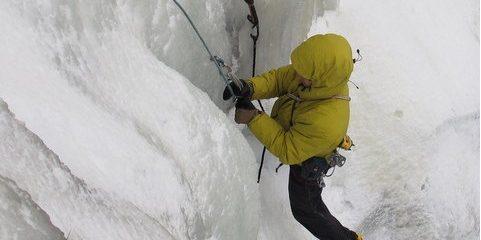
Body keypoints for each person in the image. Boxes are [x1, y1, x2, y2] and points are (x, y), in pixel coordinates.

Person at [224, 34, 363, 240]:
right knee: (308, 209)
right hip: (302, 136)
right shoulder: (314, 77)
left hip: (309, 158)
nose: (296, 75)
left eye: (303, 74)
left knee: (306, 210)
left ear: (321, 78)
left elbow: (288, 150)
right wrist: (249, 87)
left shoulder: (326, 120)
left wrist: (254, 118)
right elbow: (279, 80)